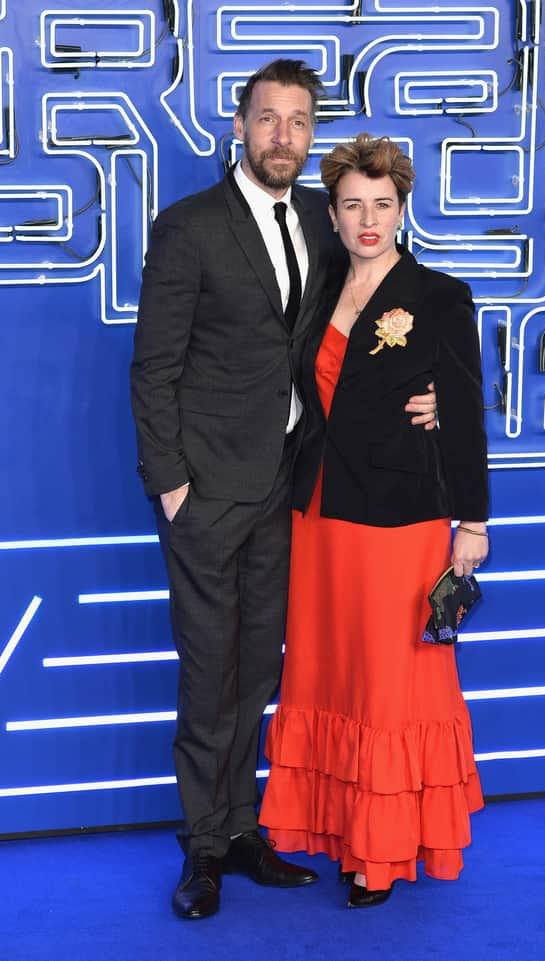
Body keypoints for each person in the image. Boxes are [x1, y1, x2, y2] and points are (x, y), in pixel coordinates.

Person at [130, 62, 438, 920]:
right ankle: (202, 848)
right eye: (268, 120)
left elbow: (390, 304)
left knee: (261, 668)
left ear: (312, 136)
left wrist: (437, 382)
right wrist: (172, 486)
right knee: (208, 673)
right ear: (240, 127)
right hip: (207, 493)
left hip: (290, 490)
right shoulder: (187, 228)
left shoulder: (322, 214)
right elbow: (152, 370)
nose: (283, 138)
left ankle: (239, 830)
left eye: (299, 123)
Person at [259, 133, 489, 908]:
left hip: (400, 521)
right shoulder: (319, 289)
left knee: (391, 687)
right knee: (329, 675)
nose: (367, 220)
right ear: (333, 210)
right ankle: (337, 829)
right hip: (320, 516)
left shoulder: (438, 295)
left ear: (402, 207)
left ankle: (380, 854)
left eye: (382, 205)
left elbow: (463, 415)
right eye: (352, 204)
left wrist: (474, 521)